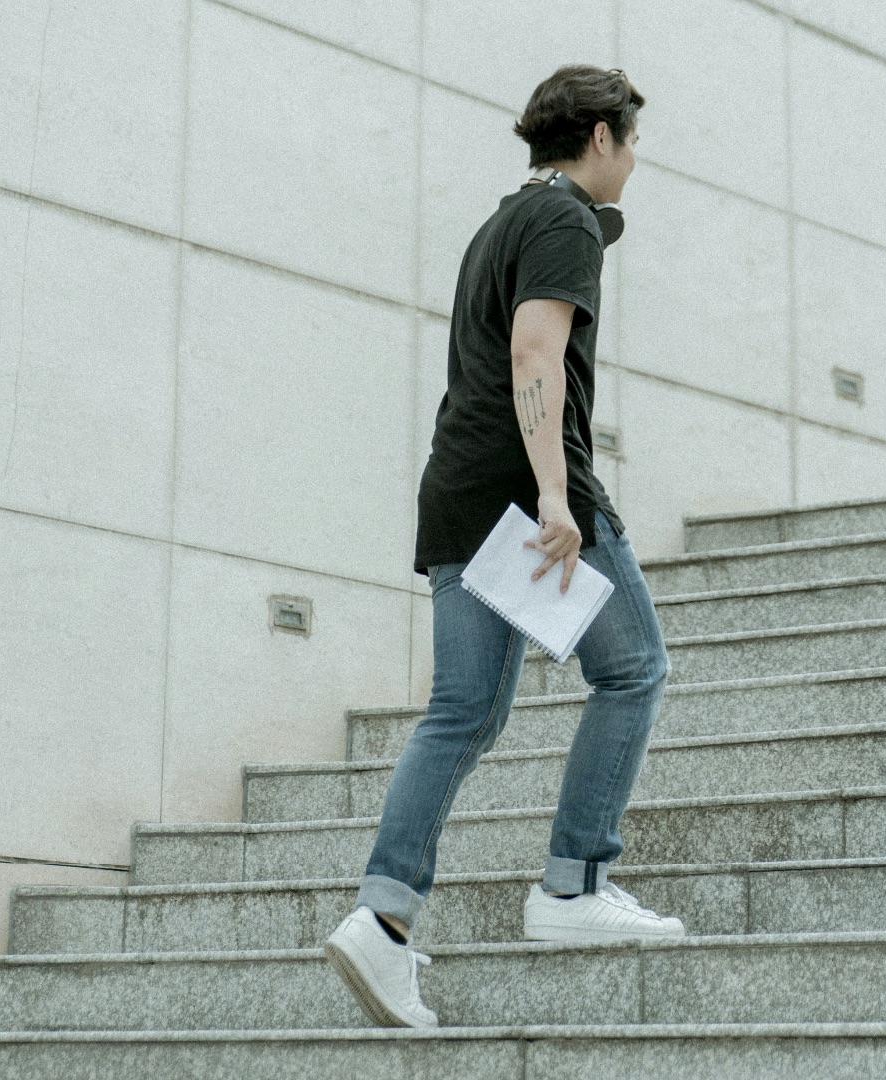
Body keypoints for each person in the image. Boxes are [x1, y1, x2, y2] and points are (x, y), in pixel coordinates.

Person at [322, 64, 680, 1029]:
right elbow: (534, 353)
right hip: (527, 497)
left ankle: (383, 919)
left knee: (464, 712)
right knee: (636, 669)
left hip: (459, 490)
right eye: (632, 141)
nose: (635, 162)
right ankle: (572, 886)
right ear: (600, 136)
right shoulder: (562, 222)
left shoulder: (499, 223)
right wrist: (559, 497)